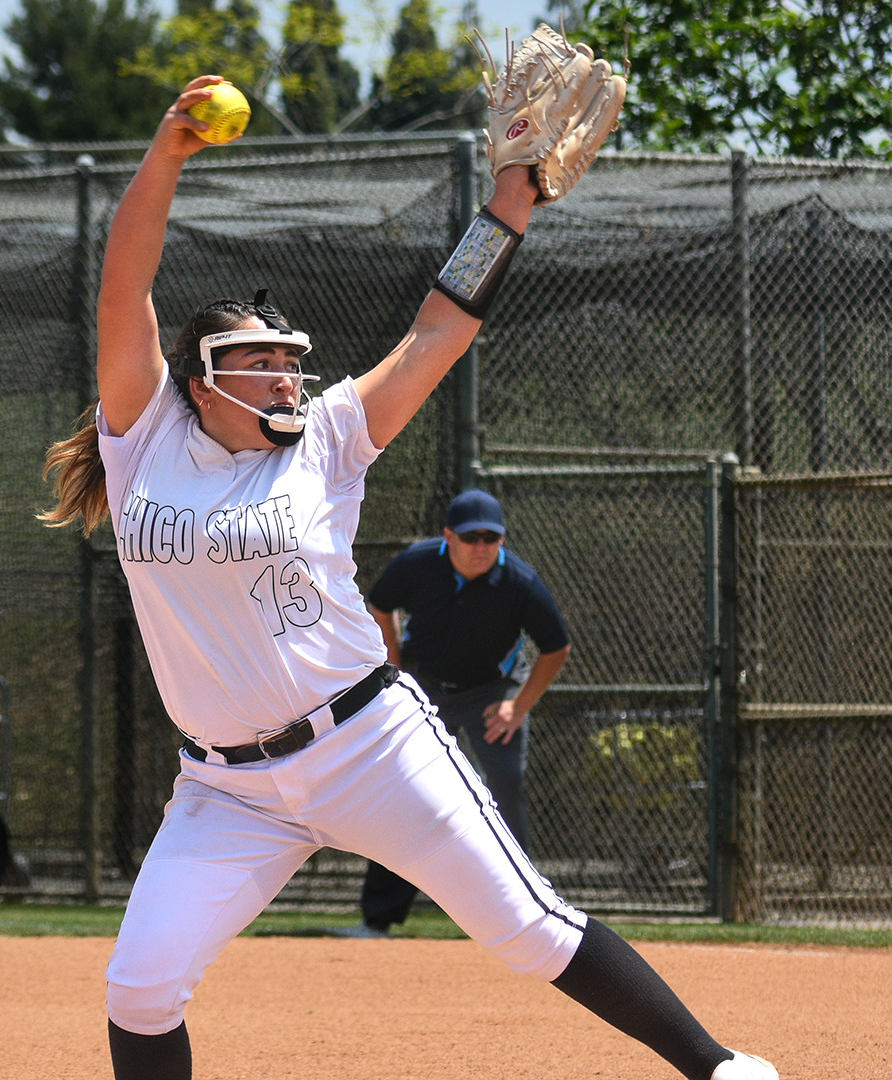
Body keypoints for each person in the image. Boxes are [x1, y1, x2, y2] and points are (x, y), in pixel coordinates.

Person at [40, 74, 776, 1080]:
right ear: (201, 380)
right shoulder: (143, 437)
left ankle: (719, 1067)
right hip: (227, 786)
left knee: (527, 925)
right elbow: (122, 289)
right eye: (261, 363)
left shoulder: (326, 442)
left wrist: (510, 204)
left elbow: (440, 326)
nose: (287, 377)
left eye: (290, 361)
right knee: (139, 986)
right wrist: (167, 151)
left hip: (367, 745)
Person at [331, 488, 571, 937]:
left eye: (491, 537)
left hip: (492, 694)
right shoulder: (418, 564)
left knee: (504, 789)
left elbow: (556, 648)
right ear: (448, 537)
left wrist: (518, 707)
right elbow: (380, 605)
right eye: (470, 536)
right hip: (427, 687)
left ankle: (521, 917)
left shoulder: (519, 581)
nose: (481, 546)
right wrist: (395, 664)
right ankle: (378, 919)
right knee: (403, 794)